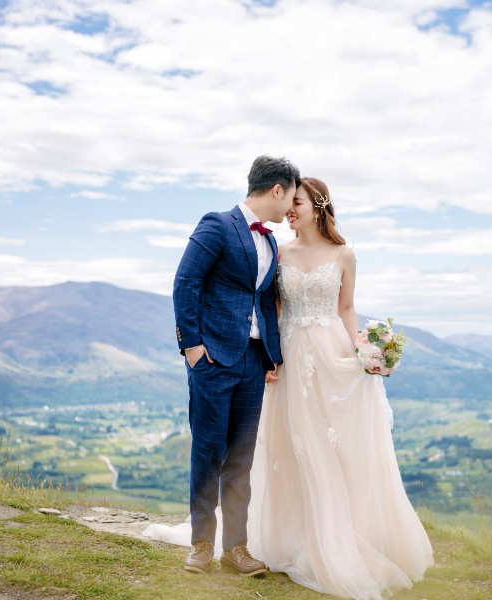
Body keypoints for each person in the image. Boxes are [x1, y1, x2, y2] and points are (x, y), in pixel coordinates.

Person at [247, 177, 434, 599]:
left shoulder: (344, 254)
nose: (289, 210)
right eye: (288, 203)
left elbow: (346, 307)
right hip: (291, 357)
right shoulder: (279, 252)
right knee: (295, 447)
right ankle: (295, 538)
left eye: (296, 203)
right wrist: (269, 357)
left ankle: (341, 537)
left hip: (333, 357)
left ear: (318, 205)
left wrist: (364, 356)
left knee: (336, 450)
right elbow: (272, 307)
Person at [171, 155, 300, 575]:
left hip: (252, 362)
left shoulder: (271, 241)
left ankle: (236, 548)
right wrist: (192, 347)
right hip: (212, 359)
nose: (290, 209)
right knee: (208, 453)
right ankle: (202, 546)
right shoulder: (218, 224)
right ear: (277, 190)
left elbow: (263, 300)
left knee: (241, 459)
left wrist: (273, 355)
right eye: (291, 197)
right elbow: (185, 283)